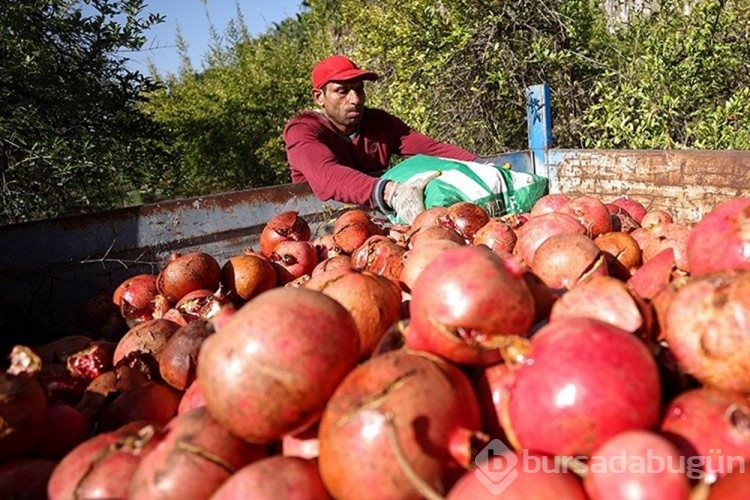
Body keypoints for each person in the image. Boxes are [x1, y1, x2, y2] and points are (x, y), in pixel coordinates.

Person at [283, 54, 480, 224]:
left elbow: (431, 149)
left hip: (383, 225)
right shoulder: (303, 130)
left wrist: (481, 165)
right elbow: (326, 174)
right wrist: (390, 192)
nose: (355, 99)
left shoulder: (378, 122)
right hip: (324, 230)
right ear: (319, 97)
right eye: (342, 91)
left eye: (359, 89)